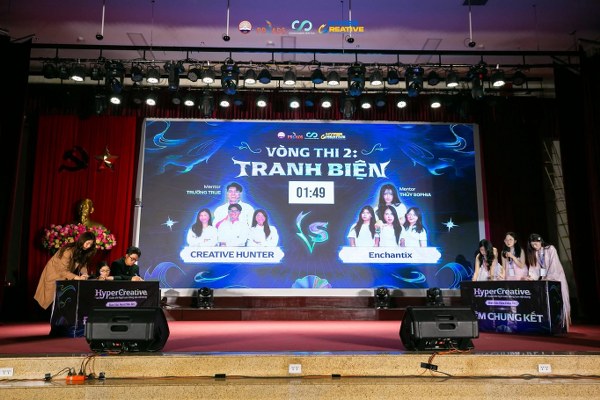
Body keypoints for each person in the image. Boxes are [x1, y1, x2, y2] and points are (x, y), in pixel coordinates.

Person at [34, 231, 96, 310]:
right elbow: (62, 270)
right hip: (55, 274)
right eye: (87, 243)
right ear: (82, 240)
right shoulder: (68, 251)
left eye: (91, 244)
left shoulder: (83, 251)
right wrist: (78, 277)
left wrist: (85, 274)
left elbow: (83, 264)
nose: (88, 246)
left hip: (65, 275)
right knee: (48, 299)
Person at [526, 233, 571, 330]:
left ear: (540, 241)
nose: (535, 246)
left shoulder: (550, 249)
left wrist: (549, 276)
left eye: (536, 244)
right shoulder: (536, 253)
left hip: (556, 278)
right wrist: (532, 277)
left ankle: (563, 325)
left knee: (561, 300)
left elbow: (554, 264)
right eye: (532, 245)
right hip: (545, 279)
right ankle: (550, 324)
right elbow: (535, 268)